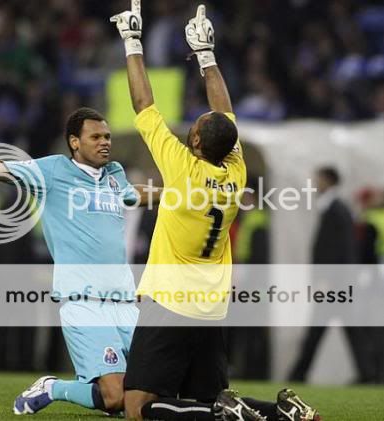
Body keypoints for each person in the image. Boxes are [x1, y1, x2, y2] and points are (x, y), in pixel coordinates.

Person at [111, 2, 320, 420]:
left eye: (194, 127)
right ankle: (286, 414)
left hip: (170, 300)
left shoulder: (183, 168)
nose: (191, 126)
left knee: (136, 407)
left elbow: (143, 105)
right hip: (211, 304)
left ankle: (227, 414)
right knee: (205, 398)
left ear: (197, 143)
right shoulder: (235, 170)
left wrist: (132, 41)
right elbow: (226, 113)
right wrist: (207, 56)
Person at [0, 108, 160, 415]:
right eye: (95, 137)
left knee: (146, 394)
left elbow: (132, 195)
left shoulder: (115, 174)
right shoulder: (52, 171)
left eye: (107, 136)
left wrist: (179, 195)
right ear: (74, 142)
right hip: (84, 301)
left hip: (125, 301)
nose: (104, 142)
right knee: (115, 398)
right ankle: (53, 387)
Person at [289, 167, 367, 383]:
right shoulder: (334, 208)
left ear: (328, 181)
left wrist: (326, 280)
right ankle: (367, 374)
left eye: (318, 179)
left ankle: (298, 374)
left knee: (318, 332)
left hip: (334, 285)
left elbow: (338, 249)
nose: (315, 183)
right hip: (338, 283)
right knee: (348, 332)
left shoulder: (336, 210)